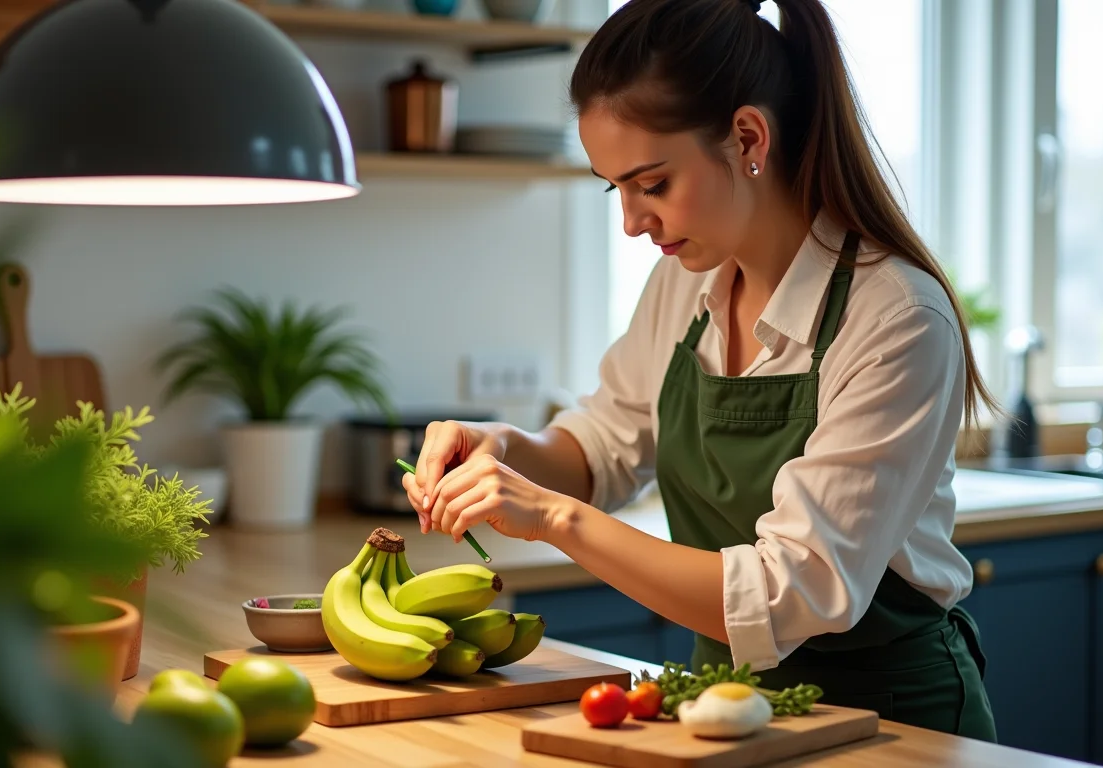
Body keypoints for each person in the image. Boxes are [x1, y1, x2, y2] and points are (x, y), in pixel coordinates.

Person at [402, 0, 999, 741]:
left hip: (894, 727)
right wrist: (502, 450)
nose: (630, 220)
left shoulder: (897, 318)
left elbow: (790, 591)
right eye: (613, 187)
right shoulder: (685, 284)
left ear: (748, 137)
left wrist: (554, 518)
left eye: (651, 184)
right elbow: (603, 449)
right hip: (728, 707)